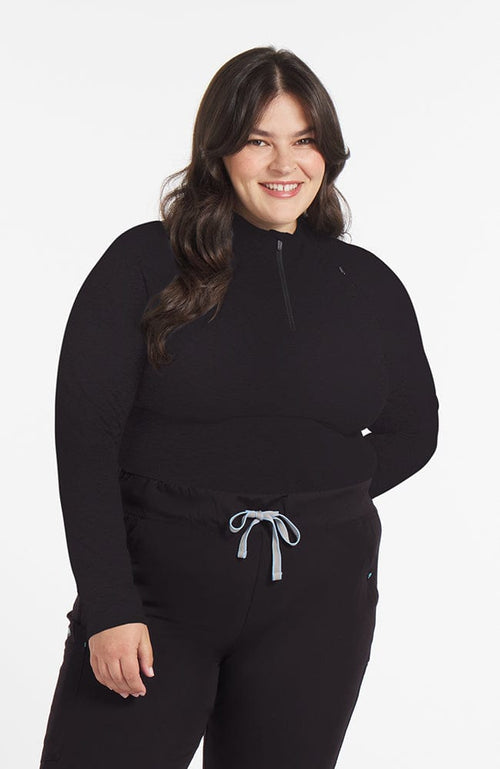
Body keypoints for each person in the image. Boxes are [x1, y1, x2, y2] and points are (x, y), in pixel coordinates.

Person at [38, 45, 439, 769]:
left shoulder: (366, 284)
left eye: (305, 140)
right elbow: (85, 442)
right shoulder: (143, 263)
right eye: (259, 141)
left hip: (319, 602)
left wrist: (308, 495)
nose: (286, 164)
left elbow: (415, 429)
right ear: (219, 151)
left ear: (327, 153)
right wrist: (109, 603)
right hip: (157, 592)